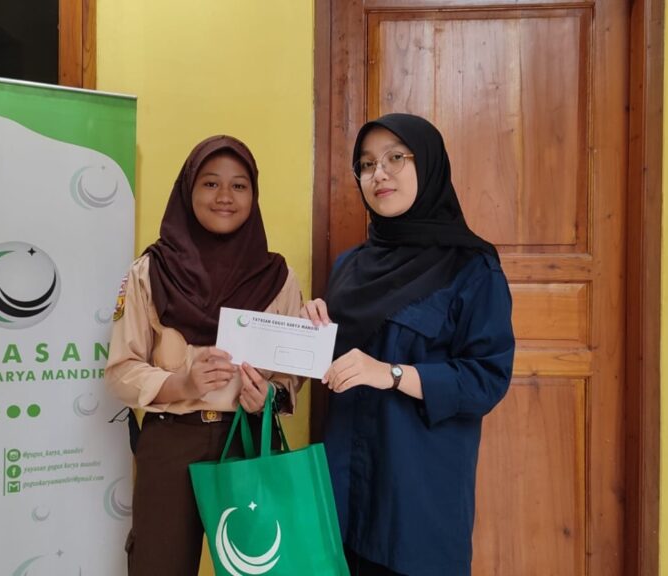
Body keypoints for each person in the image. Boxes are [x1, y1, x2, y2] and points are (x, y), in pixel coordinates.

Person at [301, 113, 515, 576]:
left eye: (395, 158)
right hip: (345, 486)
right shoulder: (349, 266)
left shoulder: (472, 268)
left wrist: (392, 374)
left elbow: (487, 379)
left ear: (429, 164)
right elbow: (339, 365)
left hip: (416, 496)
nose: (379, 173)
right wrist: (312, 332)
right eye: (366, 164)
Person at [106, 135, 303, 576]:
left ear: (253, 195)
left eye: (239, 186)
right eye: (210, 183)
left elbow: (291, 373)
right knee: (159, 566)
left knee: (261, 567)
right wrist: (182, 383)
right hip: (172, 442)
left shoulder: (277, 277)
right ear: (187, 190)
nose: (224, 197)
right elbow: (120, 370)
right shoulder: (151, 272)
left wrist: (269, 395)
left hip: (250, 441)